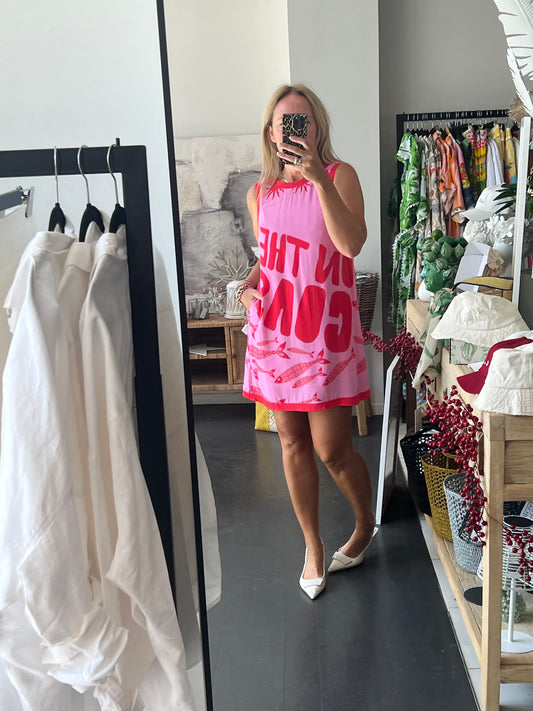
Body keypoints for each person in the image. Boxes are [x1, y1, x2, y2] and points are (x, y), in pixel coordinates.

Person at [236, 83, 375, 600]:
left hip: (324, 334)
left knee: (333, 449)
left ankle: (364, 525)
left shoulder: (340, 176)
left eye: (304, 121)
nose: (294, 130)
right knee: (291, 441)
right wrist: (248, 286)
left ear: (317, 129)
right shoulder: (259, 194)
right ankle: (312, 546)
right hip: (275, 332)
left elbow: (351, 244)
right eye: (285, 123)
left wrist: (317, 178)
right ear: (271, 134)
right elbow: (270, 259)